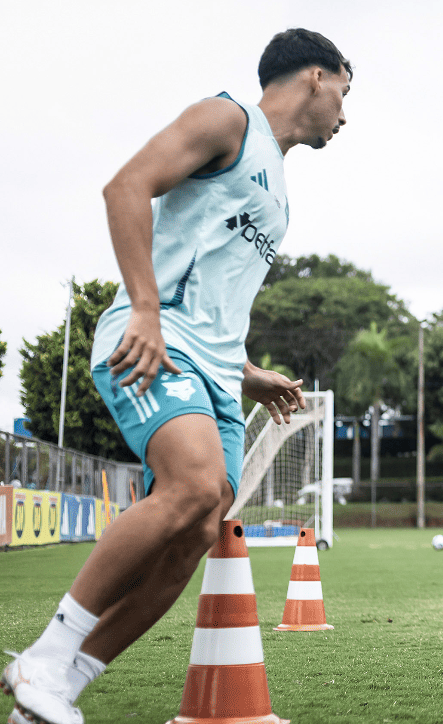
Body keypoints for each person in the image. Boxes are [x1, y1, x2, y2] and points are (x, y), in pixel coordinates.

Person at [1, 30, 352, 724]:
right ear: (316, 76)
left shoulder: (280, 195)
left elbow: (215, 294)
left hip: (215, 373)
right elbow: (125, 186)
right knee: (192, 486)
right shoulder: (228, 121)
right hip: (152, 346)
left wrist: (248, 374)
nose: (347, 113)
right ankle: (42, 660)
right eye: (346, 90)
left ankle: (58, 691)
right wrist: (145, 309)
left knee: (200, 521)